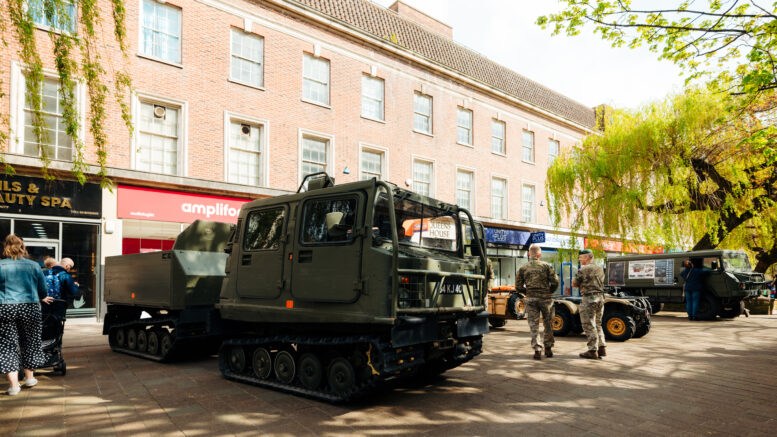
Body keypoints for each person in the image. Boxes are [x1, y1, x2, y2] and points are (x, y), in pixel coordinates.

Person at [0, 234, 54, 396]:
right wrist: (41, 296)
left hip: (5, 307)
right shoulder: (33, 266)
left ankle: (14, 385)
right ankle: (30, 378)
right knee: (30, 341)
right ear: (23, 248)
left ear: (5, 248)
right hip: (29, 307)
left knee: (6, 345)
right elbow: (43, 289)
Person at [515, 244, 559, 360]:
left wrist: (527, 292)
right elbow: (555, 281)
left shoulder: (523, 268)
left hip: (531, 299)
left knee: (534, 325)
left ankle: (537, 350)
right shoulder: (546, 266)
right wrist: (549, 291)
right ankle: (548, 348)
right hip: (546, 299)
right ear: (539, 255)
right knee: (548, 323)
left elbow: (518, 286)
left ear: (529, 254)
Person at [574, 249, 606, 359]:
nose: (579, 259)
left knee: (589, 324)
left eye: (581, 257)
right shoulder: (600, 268)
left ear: (587, 257)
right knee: (597, 323)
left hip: (589, 299)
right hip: (600, 298)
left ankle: (592, 350)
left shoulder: (583, 269)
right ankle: (602, 347)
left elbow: (574, 283)